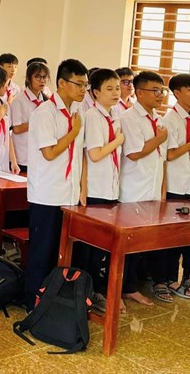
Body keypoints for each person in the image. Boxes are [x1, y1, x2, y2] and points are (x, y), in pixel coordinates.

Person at [23, 59, 88, 311]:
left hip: (68, 193)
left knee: (61, 253)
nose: (83, 89)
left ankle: (53, 301)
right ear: (61, 83)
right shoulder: (45, 113)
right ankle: (33, 303)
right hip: (47, 194)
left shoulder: (76, 113)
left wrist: (81, 189)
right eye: (78, 84)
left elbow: (79, 155)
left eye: (85, 84)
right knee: (42, 252)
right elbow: (49, 153)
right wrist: (73, 132)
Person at [79, 68, 126, 313]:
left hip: (111, 188)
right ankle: (86, 293)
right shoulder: (92, 116)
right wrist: (117, 141)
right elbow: (95, 154)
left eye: (117, 88)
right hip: (96, 188)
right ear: (95, 92)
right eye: (109, 88)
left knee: (102, 247)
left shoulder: (115, 115)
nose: (116, 93)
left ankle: (96, 291)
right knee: (89, 247)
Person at [119, 69, 168, 304]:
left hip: (152, 189)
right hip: (133, 189)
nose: (160, 95)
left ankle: (130, 286)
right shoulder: (129, 118)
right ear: (139, 92)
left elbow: (162, 159)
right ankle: (120, 288)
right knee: (127, 245)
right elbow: (135, 153)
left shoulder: (159, 119)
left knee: (141, 244)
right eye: (155, 90)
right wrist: (159, 139)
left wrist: (162, 191)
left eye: (162, 90)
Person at [160, 73, 190, 299]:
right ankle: (168, 278)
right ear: (177, 93)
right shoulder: (169, 120)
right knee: (172, 235)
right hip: (175, 184)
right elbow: (169, 155)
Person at [10, 60, 50, 172]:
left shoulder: (46, 101)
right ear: (28, 78)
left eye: (44, 77)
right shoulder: (19, 100)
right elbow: (17, 129)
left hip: (40, 156)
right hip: (22, 156)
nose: (42, 80)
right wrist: (37, 121)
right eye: (37, 77)